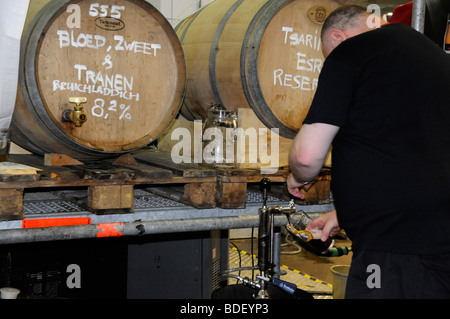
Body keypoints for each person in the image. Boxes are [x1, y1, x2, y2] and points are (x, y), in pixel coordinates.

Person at [287, 5, 450, 299]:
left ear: (337, 37)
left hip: (390, 247)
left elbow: (306, 157)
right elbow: (413, 153)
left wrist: (297, 176)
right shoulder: (434, 57)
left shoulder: (351, 53)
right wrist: (345, 214)